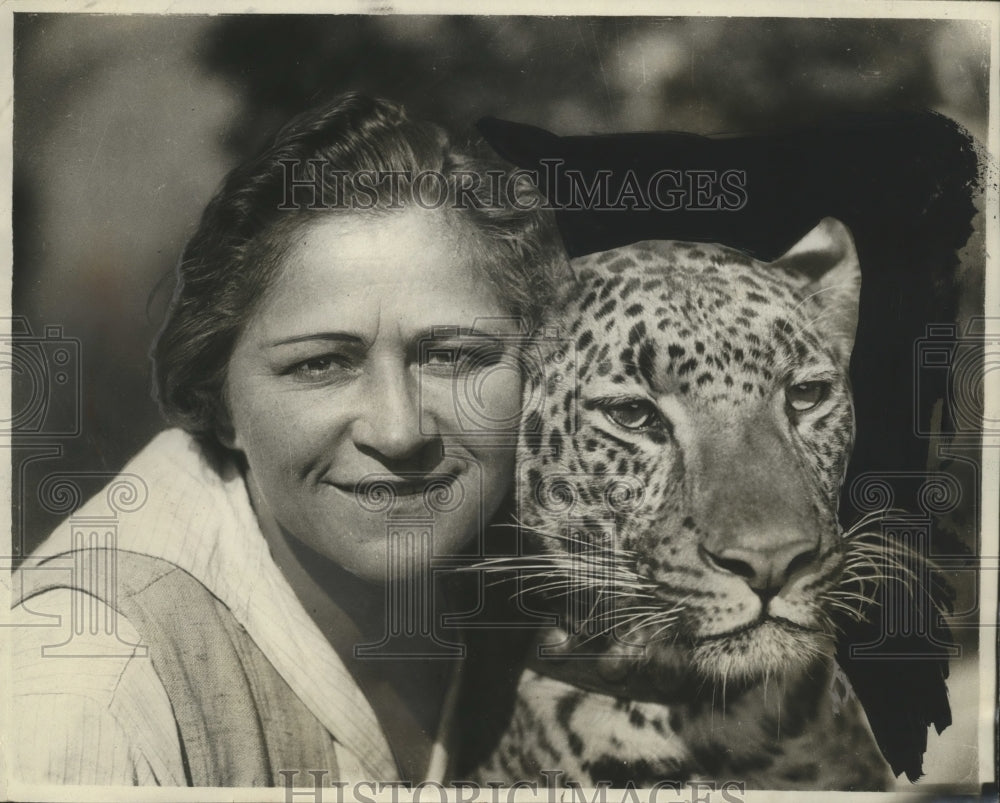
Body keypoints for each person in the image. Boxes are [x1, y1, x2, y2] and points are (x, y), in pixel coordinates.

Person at [9, 93, 569, 787]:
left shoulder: (568, 576)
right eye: (322, 363)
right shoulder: (86, 683)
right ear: (221, 401)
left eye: (452, 355)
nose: (398, 430)